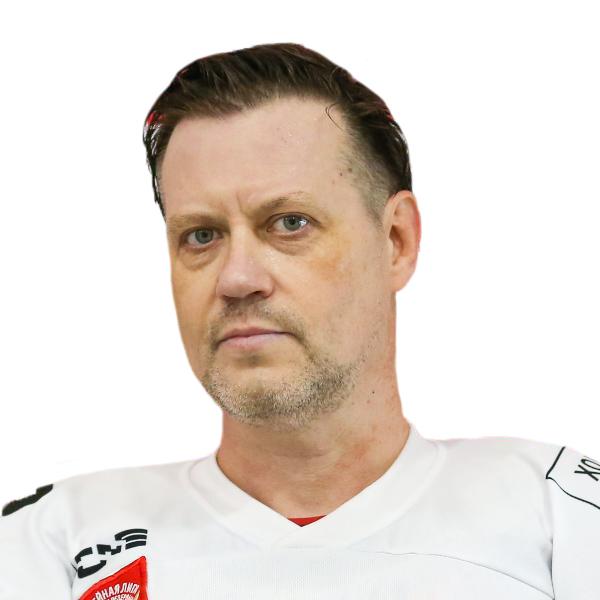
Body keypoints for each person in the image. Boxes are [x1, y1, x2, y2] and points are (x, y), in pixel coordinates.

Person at [0, 42, 598, 600]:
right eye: (201, 235)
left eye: (289, 223)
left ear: (396, 241)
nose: (237, 278)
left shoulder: (561, 513)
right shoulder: (47, 544)